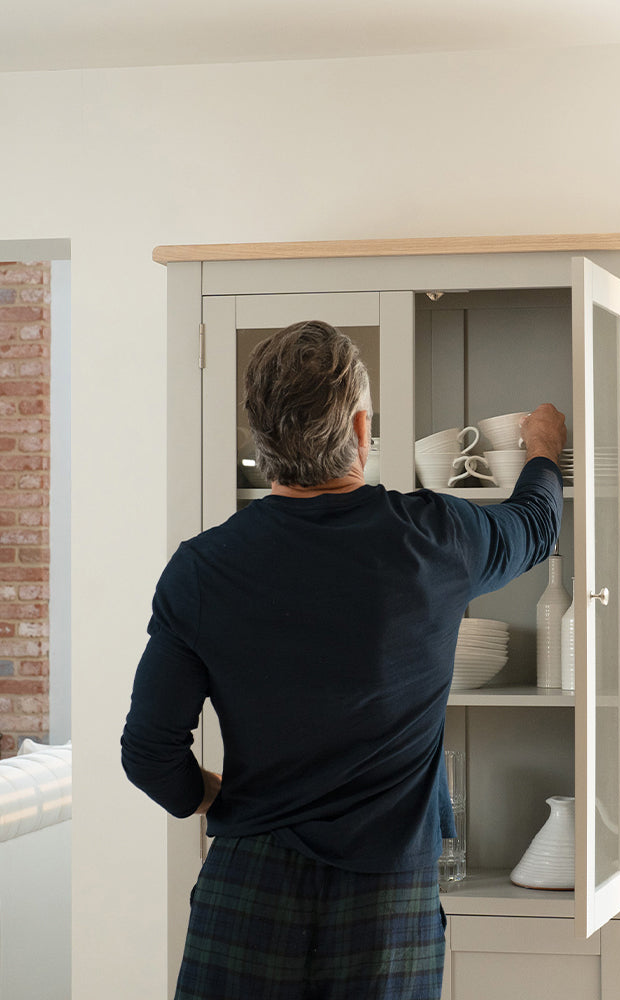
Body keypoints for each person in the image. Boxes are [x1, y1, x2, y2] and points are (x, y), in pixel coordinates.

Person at [121, 319, 566, 1000]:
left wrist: (213, 796)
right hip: (386, 900)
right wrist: (541, 448)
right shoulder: (437, 538)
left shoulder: (201, 569)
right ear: (361, 430)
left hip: (248, 885)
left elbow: (149, 754)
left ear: (262, 440)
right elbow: (536, 522)